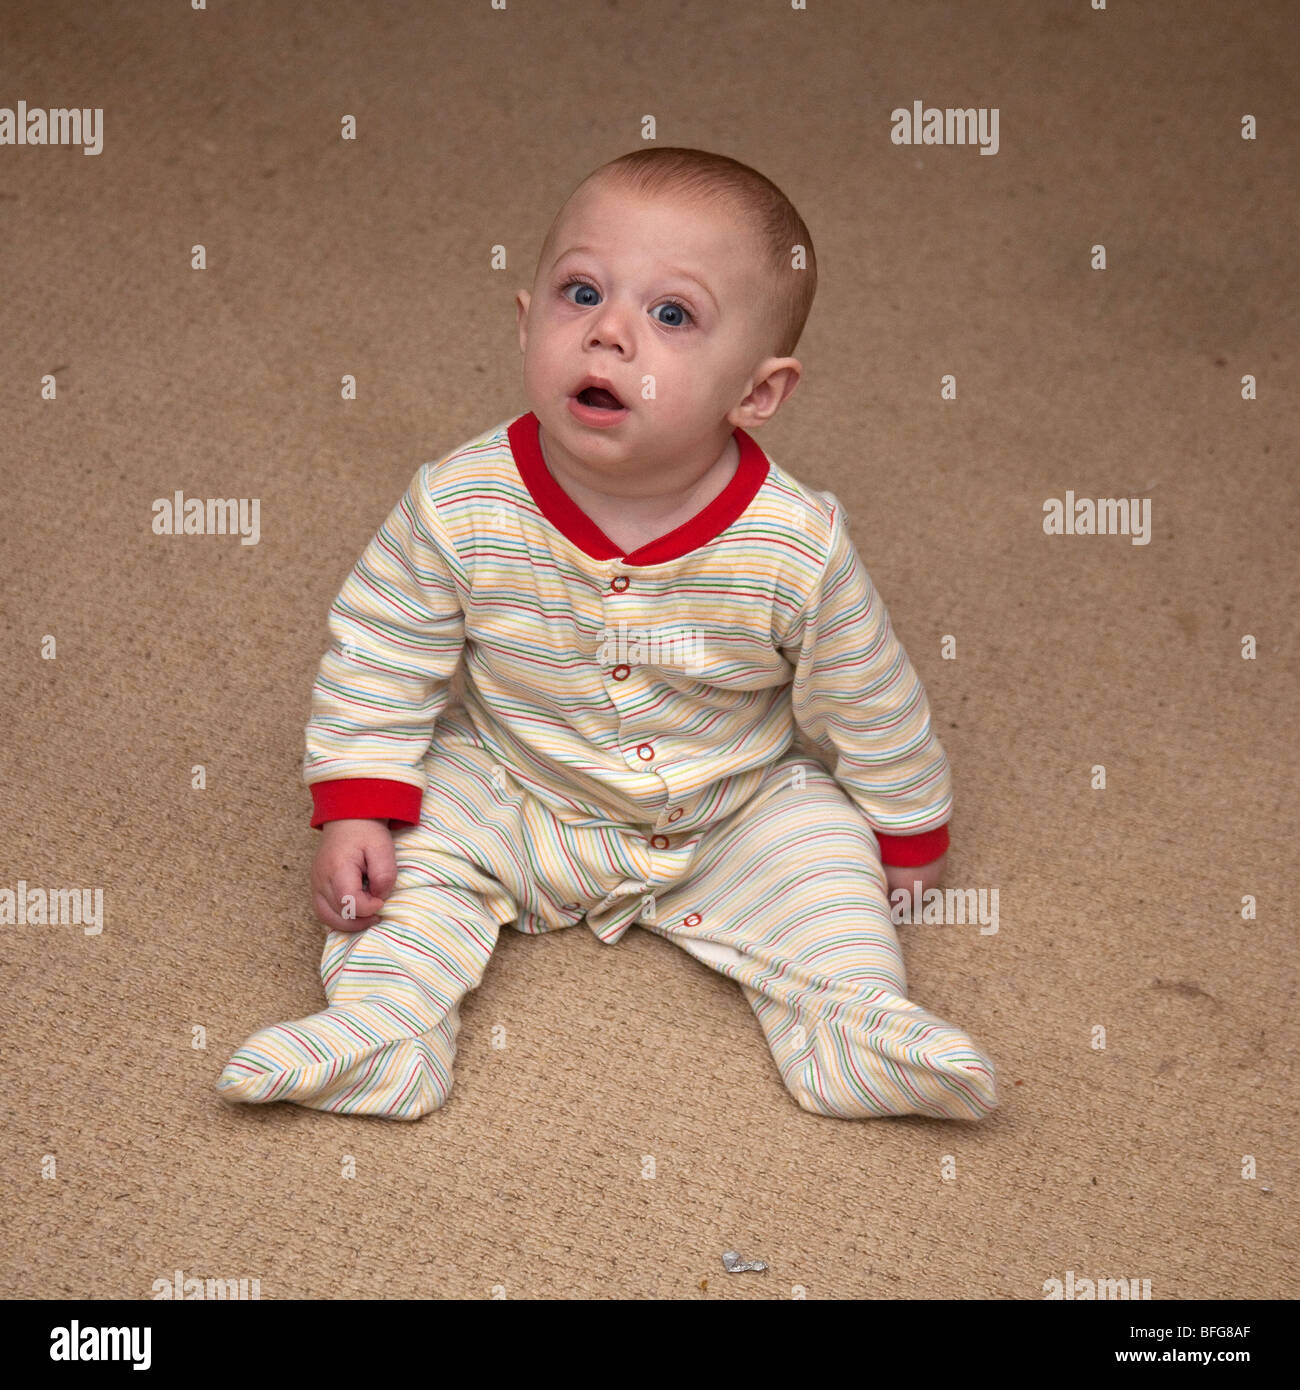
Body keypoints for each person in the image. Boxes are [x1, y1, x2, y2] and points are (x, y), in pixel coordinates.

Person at [216, 146, 997, 1122]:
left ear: (756, 392)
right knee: (412, 850)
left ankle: (857, 1027)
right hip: (515, 784)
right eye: (579, 293)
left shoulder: (795, 543)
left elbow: (868, 695)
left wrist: (908, 828)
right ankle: (384, 1028)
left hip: (726, 808)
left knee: (823, 851)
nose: (609, 334)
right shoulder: (460, 502)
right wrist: (354, 806)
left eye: (671, 314)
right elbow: (382, 650)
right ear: (524, 321)